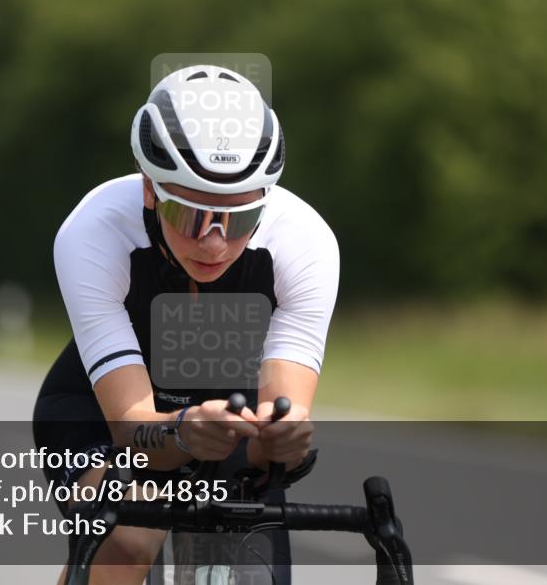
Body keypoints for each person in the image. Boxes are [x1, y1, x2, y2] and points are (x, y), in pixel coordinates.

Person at [33, 64, 339, 584]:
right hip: (101, 415)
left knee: (251, 569)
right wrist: (183, 433)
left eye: (239, 219)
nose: (215, 242)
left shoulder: (305, 242)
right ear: (151, 191)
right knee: (128, 539)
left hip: (228, 417)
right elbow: (132, 429)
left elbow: (280, 422)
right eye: (192, 217)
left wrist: (277, 443)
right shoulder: (94, 231)